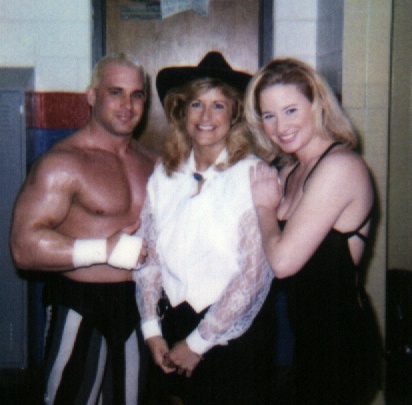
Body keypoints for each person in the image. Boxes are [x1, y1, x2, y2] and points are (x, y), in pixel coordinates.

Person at [9, 53, 157, 405]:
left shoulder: (155, 163)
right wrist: (101, 250)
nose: (127, 105)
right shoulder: (62, 164)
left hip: (138, 304)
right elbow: (23, 246)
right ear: (91, 96)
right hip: (79, 302)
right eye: (115, 92)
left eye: (137, 95)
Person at [134, 51, 277, 405]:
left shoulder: (253, 175)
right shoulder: (165, 174)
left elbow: (253, 275)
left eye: (218, 106)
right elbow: (147, 257)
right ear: (181, 111)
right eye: (196, 104)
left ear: (235, 114)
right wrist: (152, 330)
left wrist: (197, 344)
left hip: (230, 338)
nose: (206, 117)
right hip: (172, 324)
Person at [245, 57, 383, 404]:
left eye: (291, 110)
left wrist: (264, 208)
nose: (280, 126)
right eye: (269, 115)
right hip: (294, 344)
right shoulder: (289, 170)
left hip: (337, 349)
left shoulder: (341, 167)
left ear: (318, 106)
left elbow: (282, 262)